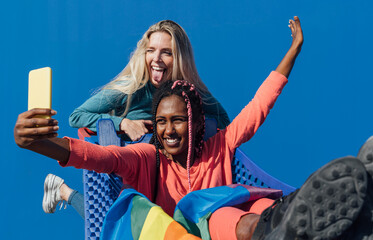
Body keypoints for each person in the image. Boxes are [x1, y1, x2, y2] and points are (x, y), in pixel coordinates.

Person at [14, 16, 372, 239]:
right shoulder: (147, 157)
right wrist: (39, 145)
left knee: (243, 205)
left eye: (178, 121)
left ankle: (302, 222)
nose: (169, 129)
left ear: (197, 122)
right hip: (169, 231)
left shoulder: (219, 146)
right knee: (195, 207)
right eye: (162, 122)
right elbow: (97, 156)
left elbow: (257, 108)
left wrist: (293, 50)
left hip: (231, 229)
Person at [43, 19, 231, 218]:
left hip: (169, 177)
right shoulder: (131, 88)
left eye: (166, 52)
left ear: (180, 58)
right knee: (110, 224)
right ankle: (63, 191)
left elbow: (224, 124)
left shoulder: (191, 94)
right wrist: (124, 123)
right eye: (151, 50)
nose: (156, 58)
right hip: (126, 170)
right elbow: (76, 116)